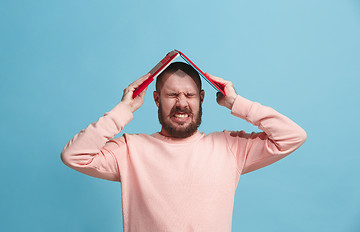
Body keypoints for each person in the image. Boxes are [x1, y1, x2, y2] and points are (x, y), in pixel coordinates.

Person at [61, 62, 307, 232]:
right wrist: (123, 110)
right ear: (156, 99)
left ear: (201, 98)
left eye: (189, 95)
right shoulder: (129, 150)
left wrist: (236, 102)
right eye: (172, 95)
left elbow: (292, 136)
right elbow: (74, 156)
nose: (181, 104)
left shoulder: (230, 147)